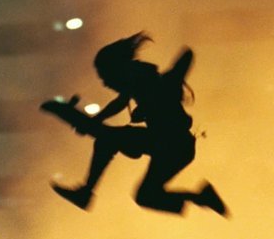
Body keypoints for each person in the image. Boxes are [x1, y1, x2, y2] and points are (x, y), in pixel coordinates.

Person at [43, 32, 228, 216]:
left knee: (109, 139)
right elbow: (124, 100)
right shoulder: (142, 80)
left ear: (116, 70)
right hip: (175, 148)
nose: (105, 84)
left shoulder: (139, 76)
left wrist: (94, 120)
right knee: (145, 196)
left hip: (172, 144)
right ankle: (201, 197)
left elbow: (121, 102)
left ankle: (85, 192)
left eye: (105, 77)